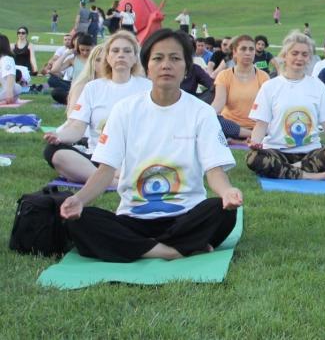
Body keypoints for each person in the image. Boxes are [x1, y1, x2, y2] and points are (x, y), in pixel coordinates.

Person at [59, 28, 242, 263]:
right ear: (147, 66)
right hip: (133, 218)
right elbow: (105, 170)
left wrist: (227, 192)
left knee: (221, 211)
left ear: (186, 68)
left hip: (185, 215)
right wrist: (80, 200)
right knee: (80, 220)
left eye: (175, 58)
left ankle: (138, 248)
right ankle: (172, 250)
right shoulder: (124, 111)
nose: (166, 65)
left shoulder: (202, 113)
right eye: (158, 58)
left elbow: (214, 171)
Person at [246, 31, 325, 180]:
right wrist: (255, 142)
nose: (299, 58)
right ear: (285, 55)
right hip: (277, 151)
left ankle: (290, 171)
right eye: (295, 53)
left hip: (310, 153)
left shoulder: (317, 86)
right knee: (253, 158)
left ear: (309, 58)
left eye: (305, 55)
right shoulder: (270, 87)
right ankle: (307, 175)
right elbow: (261, 125)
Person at [42, 31, 152, 182]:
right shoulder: (93, 88)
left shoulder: (148, 88)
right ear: (108, 57)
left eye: (127, 51)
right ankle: (111, 181)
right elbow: (77, 128)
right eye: (115, 50)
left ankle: (106, 179)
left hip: (136, 157)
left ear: (134, 58)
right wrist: (59, 137)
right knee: (53, 152)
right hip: (100, 157)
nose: (121, 55)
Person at [211, 35, 269, 141]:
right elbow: (218, 103)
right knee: (215, 120)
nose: (248, 53)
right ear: (235, 52)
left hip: (257, 125)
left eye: (251, 49)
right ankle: (252, 135)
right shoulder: (224, 75)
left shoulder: (263, 76)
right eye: (243, 49)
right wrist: (205, 115)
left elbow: (269, 107)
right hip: (230, 125)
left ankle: (255, 134)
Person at [1, 34, 26, 105]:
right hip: (9, 90)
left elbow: (10, 76)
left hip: (12, 90)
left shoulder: (6, 59)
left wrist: (9, 93)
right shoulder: (2, 60)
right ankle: (4, 101)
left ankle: (6, 100)